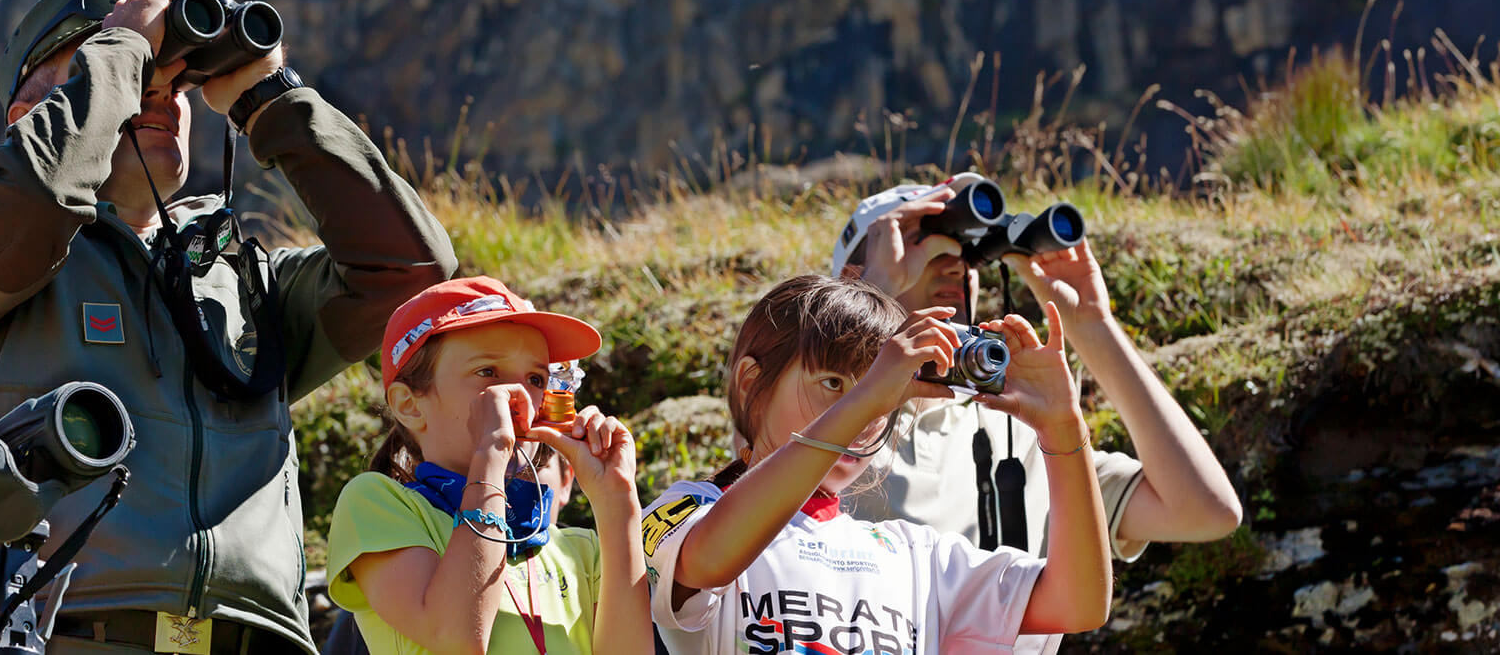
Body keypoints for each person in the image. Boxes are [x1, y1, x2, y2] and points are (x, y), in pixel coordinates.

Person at [0, 0, 456, 654]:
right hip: (49, 637)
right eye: (129, 76)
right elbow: (31, 208)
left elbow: (411, 276)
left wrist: (270, 101)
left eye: (174, 85)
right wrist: (118, 55)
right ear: (27, 119)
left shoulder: (245, 282)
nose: (160, 97)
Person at [830, 173, 1241, 650]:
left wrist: (1092, 324)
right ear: (852, 281)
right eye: (919, 246)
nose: (950, 266)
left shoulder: (1025, 432)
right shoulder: (827, 425)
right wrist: (875, 294)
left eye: (965, 253)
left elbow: (1204, 511)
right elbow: (784, 469)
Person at [642, 275, 1111, 654]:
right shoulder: (689, 509)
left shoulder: (915, 556)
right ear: (751, 382)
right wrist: (869, 396)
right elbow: (708, 559)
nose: (866, 415)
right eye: (832, 382)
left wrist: (1063, 428)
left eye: (883, 390)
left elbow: (1078, 604)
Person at [327, 276, 649, 655]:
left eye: (535, 378)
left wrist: (617, 501)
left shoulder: (581, 549)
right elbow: (458, 637)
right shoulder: (378, 504)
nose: (519, 397)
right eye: (488, 372)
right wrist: (491, 452)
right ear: (410, 405)